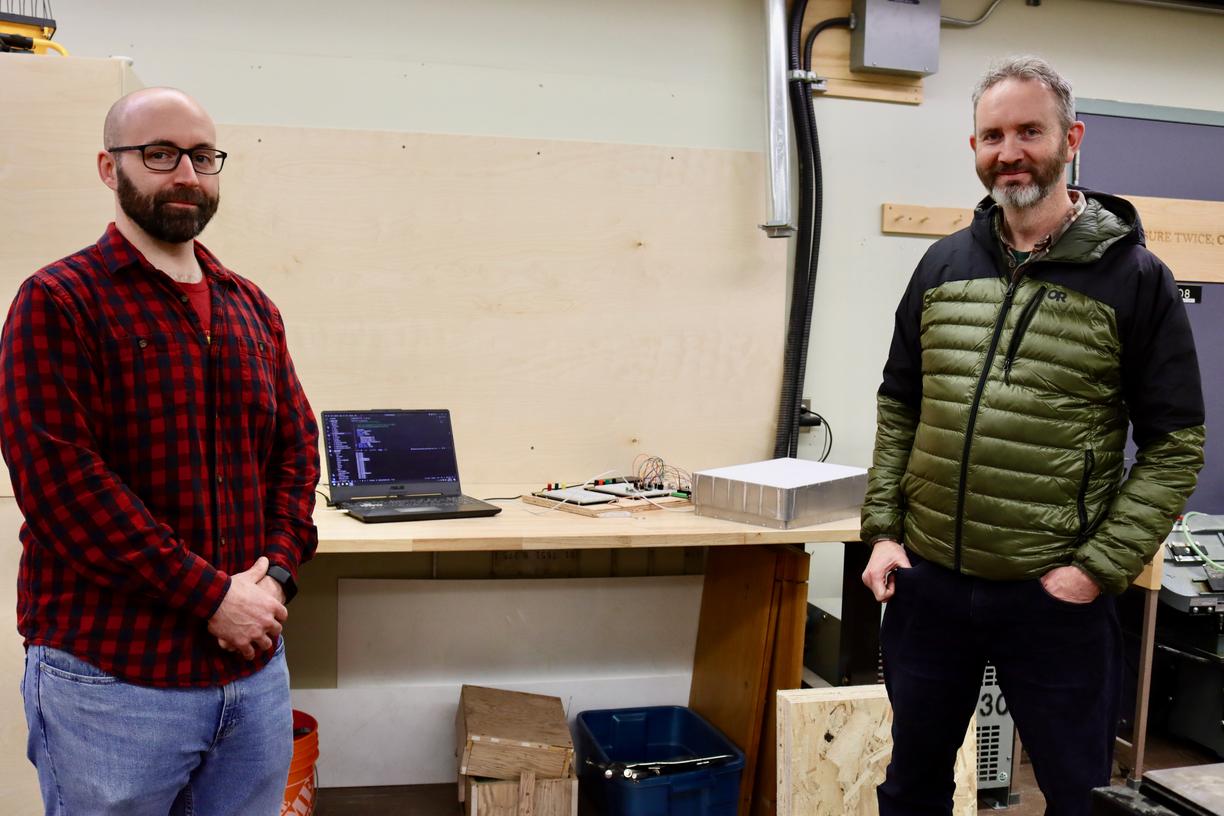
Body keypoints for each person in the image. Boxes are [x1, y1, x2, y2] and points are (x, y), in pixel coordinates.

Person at [859, 56, 1204, 815]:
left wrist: (1095, 569)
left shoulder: (1135, 278)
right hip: (931, 586)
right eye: (992, 135)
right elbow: (899, 404)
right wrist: (883, 533)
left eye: (1029, 132)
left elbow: (1176, 443)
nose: (1009, 152)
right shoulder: (943, 263)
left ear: (1071, 139)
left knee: (1079, 796)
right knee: (911, 786)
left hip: (1053, 598)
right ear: (974, 147)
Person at [0, 87, 320, 815]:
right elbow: (62, 487)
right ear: (109, 168)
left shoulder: (250, 307)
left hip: (251, 672)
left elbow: (296, 454)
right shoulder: (58, 301)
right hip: (114, 677)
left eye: (203, 157)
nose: (186, 174)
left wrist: (275, 577)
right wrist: (213, 598)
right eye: (160, 154)